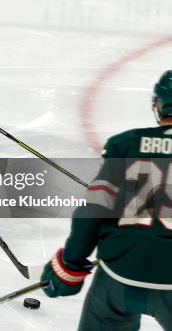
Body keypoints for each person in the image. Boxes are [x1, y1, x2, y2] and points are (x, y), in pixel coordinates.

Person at [41, 70, 172, 330]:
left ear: (157, 104)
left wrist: (71, 264)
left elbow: (93, 210)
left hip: (118, 277)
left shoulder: (124, 144)